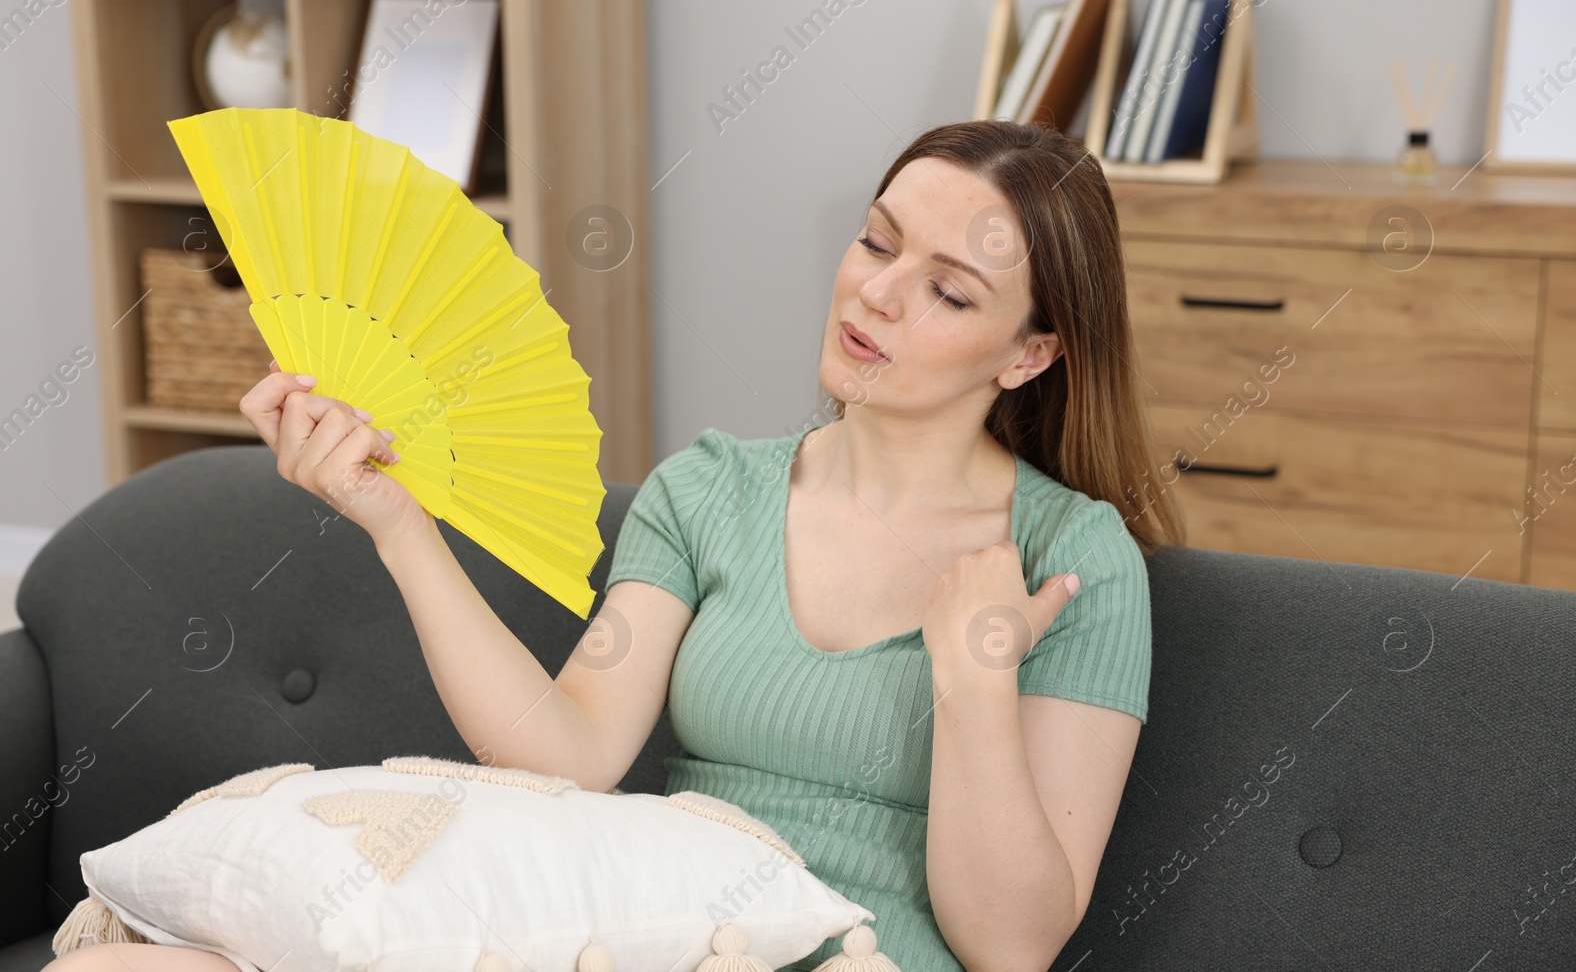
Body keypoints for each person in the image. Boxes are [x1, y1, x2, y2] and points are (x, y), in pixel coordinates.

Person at [42, 118, 1182, 972]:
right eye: (874, 240)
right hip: (648, 923)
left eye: (944, 289)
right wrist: (401, 528)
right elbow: (570, 757)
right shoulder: (710, 490)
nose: (875, 294)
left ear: (1027, 355)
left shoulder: (1074, 561)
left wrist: (974, 684)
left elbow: (1015, 944)